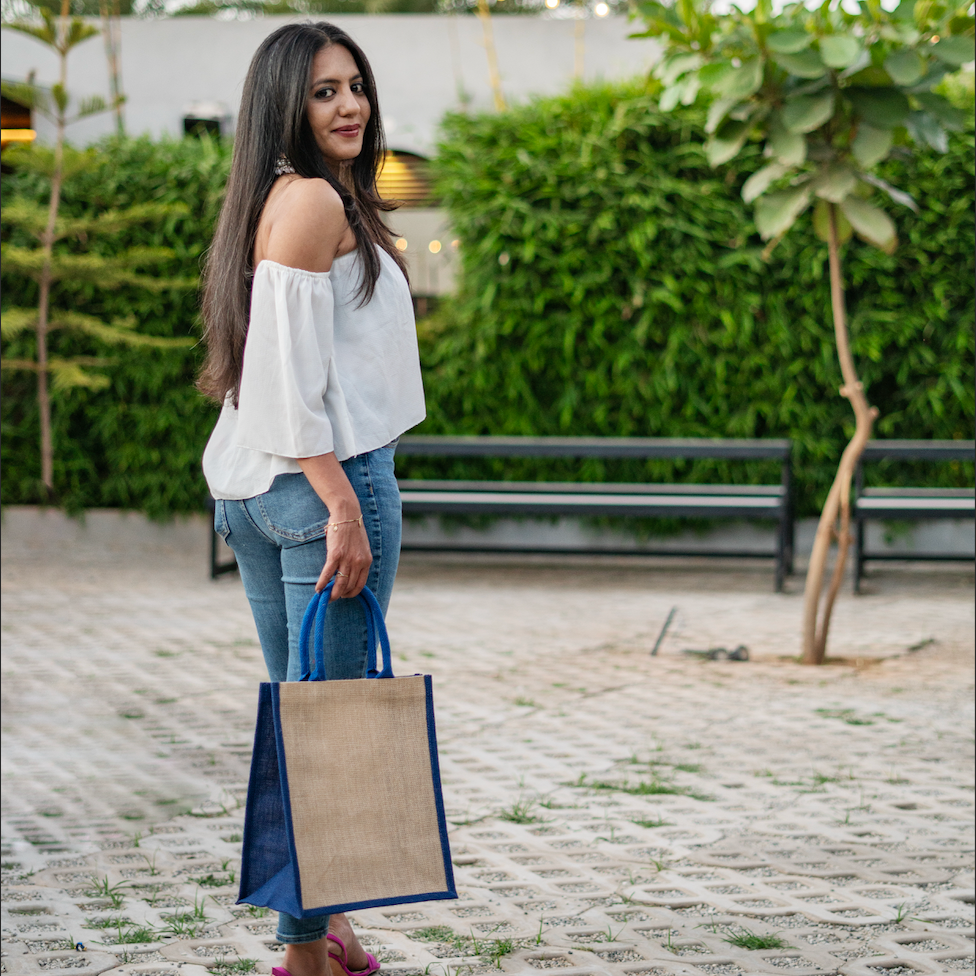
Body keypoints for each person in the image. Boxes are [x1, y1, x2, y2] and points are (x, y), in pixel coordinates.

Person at [198, 22, 425, 976]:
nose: (350, 105)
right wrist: (341, 504)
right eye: (325, 91)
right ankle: (301, 957)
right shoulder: (314, 204)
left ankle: (332, 928)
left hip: (255, 484)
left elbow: (265, 371)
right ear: (286, 104)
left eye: (356, 86)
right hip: (323, 484)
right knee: (324, 736)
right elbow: (290, 379)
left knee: (306, 719)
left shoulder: (278, 199)